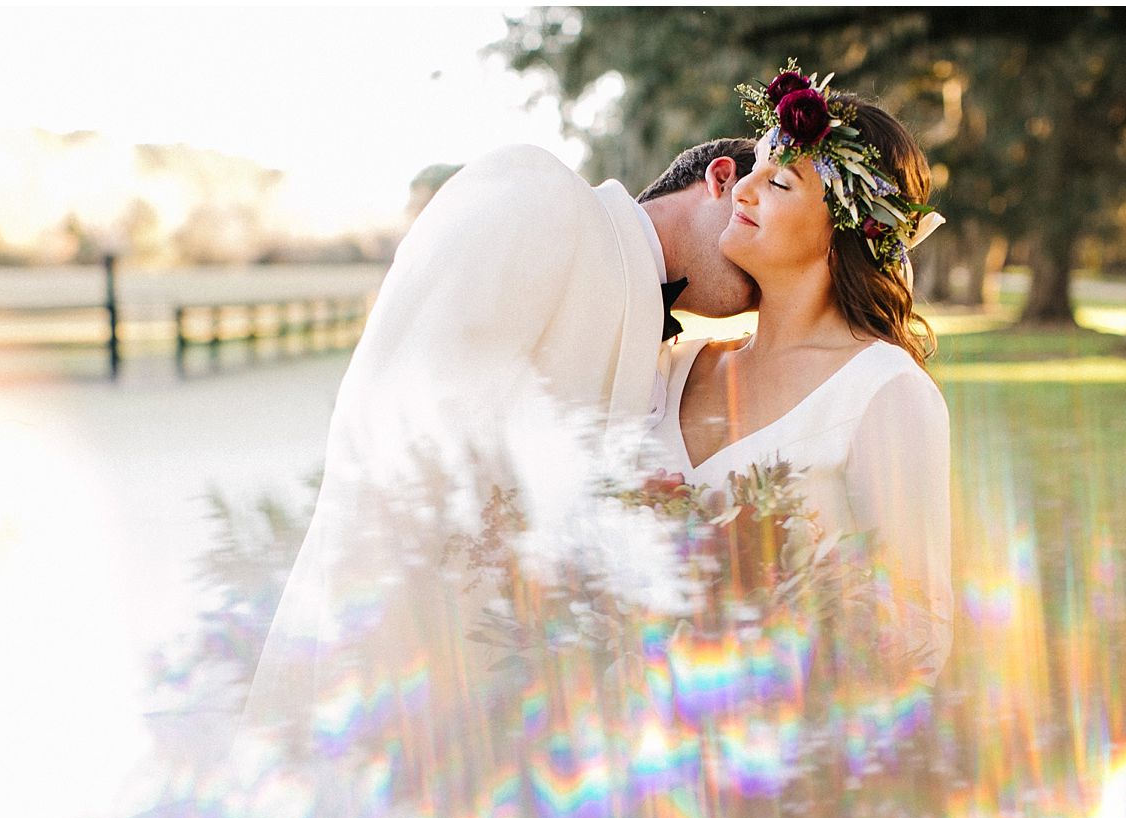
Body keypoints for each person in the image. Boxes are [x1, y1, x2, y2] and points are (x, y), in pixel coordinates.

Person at [235, 138, 762, 751]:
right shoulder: (537, 191)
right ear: (721, 180)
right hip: (401, 664)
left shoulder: (670, 361)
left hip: (520, 716)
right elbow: (409, 423)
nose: (763, 276)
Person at [639, 67, 954, 678]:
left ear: (846, 232)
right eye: (753, 166)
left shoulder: (883, 391)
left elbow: (921, 630)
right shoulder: (673, 365)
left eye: (778, 181)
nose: (744, 190)